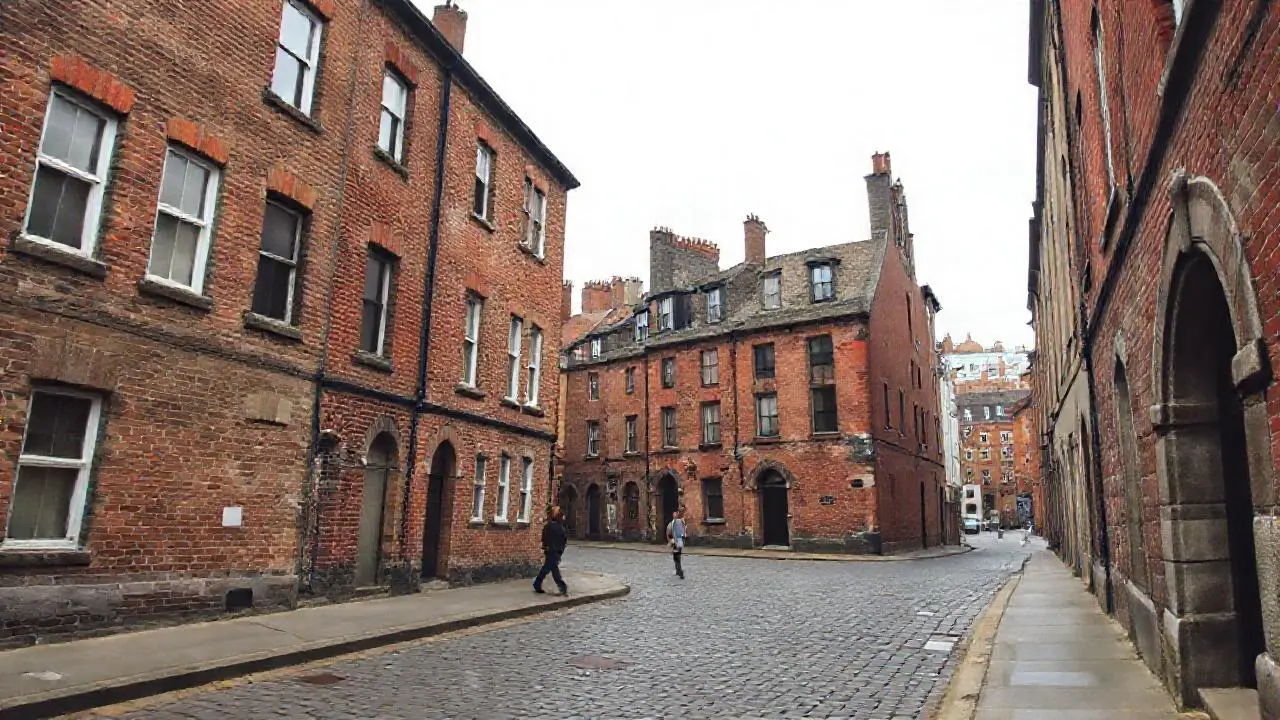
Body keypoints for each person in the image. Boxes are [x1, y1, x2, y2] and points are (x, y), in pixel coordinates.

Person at [534, 505, 569, 596]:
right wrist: (559, 549)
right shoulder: (557, 527)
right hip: (554, 550)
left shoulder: (549, 525)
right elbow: (563, 538)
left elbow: (544, 538)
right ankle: (562, 587)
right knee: (552, 569)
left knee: (549, 568)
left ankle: (537, 584)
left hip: (551, 550)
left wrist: (546, 546)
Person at [666, 507, 687, 579]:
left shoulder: (674, 523)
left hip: (676, 542)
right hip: (678, 542)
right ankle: (678, 571)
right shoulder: (680, 522)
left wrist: (671, 541)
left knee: (676, 557)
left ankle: (680, 572)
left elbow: (669, 534)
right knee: (677, 557)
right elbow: (683, 533)